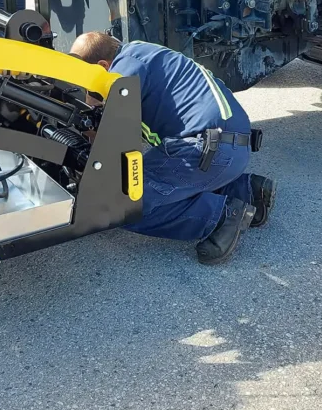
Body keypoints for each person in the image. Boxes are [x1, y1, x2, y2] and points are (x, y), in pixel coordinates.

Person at [70, 32, 277, 264]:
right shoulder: (142, 50)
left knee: (113, 203)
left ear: (101, 65)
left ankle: (222, 215)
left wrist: (91, 108)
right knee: (158, 179)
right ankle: (246, 190)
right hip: (232, 149)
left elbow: (112, 139)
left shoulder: (123, 70)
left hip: (204, 152)